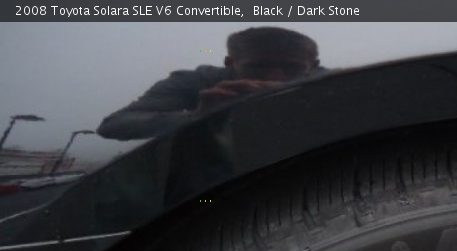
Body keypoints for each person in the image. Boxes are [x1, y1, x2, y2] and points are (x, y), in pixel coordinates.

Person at [97, 27, 323, 140]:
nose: (275, 79)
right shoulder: (196, 81)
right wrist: (197, 117)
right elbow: (114, 124)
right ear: (229, 63)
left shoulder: (326, 79)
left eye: (291, 68)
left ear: (313, 66)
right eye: (258, 67)